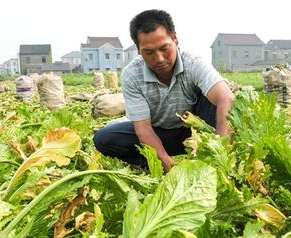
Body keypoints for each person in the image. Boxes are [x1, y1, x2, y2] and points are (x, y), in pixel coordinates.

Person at [94, 9, 234, 172]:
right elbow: (143, 128)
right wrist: (168, 166)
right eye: (149, 52)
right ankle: (150, 163)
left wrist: (222, 152)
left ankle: (207, 154)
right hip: (160, 134)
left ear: (175, 40)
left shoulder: (193, 63)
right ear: (139, 50)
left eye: (164, 48)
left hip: (197, 133)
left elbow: (226, 98)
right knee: (104, 139)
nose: (159, 59)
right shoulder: (132, 75)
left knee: (214, 99)